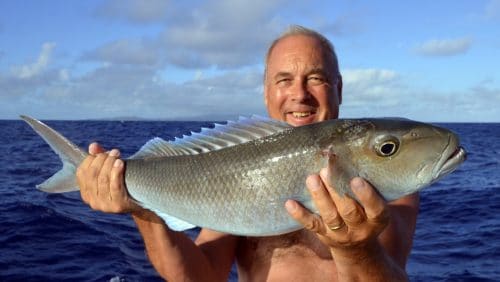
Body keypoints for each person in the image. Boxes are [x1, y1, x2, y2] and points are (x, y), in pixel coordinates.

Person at [76, 25, 419, 281]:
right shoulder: (238, 166)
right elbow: (199, 276)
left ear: (339, 89)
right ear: (267, 94)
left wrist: (356, 248)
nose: (300, 94)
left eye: (316, 78)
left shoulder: (384, 184)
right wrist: (141, 205)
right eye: (284, 81)